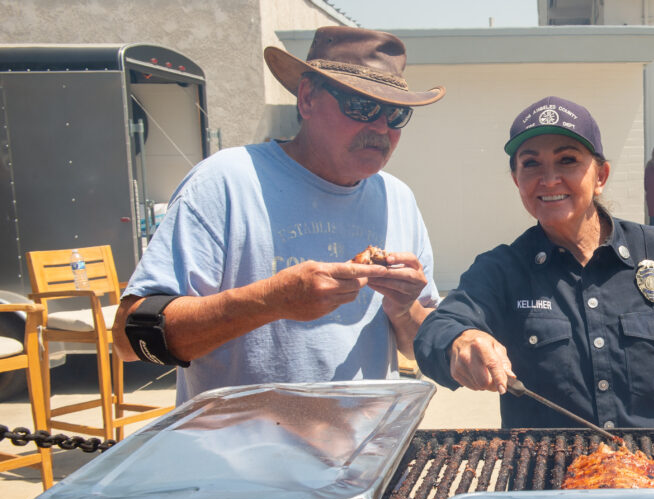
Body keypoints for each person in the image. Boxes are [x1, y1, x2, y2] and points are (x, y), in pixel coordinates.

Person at [111, 26, 444, 404]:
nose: (381, 126)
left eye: (396, 113)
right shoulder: (226, 181)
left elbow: (417, 348)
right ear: (307, 99)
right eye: (362, 106)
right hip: (242, 457)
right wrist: (271, 301)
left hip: (368, 453)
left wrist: (404, 309)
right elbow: (128, 338)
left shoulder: (397, 197)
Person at [413, 96, 654, 430]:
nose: (549, 179)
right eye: (531, 164)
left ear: (601, 176)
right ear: (516, 180)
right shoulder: (501, 270)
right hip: (551, 477)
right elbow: (435, 331)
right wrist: (459, 341)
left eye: (567, 160)